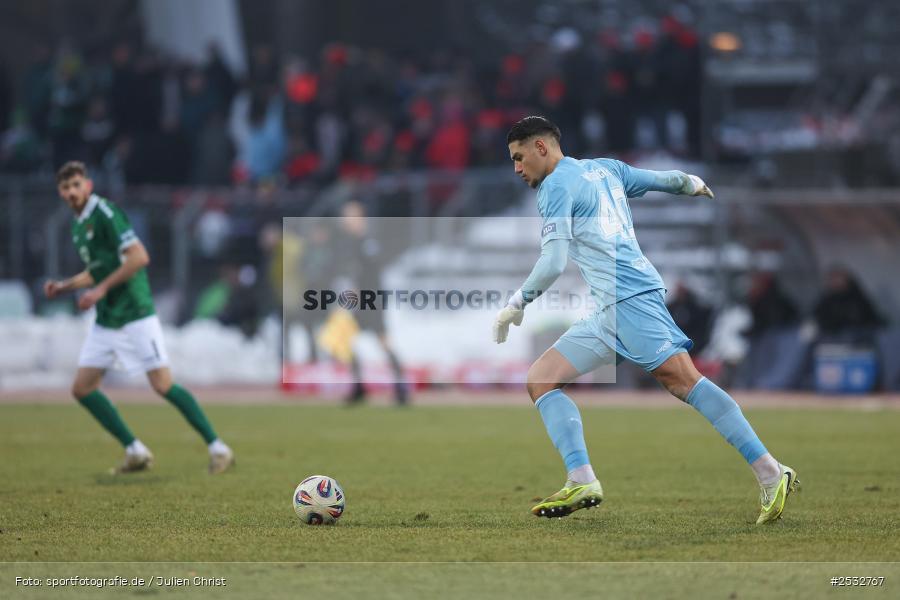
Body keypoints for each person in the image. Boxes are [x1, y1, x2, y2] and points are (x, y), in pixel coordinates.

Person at [494, 116, 797, 524]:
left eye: (519, 157)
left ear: (541, 148)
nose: (517, 168)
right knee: (541, 379)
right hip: (609, 309)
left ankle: (771, 472)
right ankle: (581, 478)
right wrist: (691, 182)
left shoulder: (554, 188)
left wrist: (517, 302)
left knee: (684, 382)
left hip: (629, 298)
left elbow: (552, 262)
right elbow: (662, 179)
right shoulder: (607, 169)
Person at [43, 161, 235, 475]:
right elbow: (98, 270)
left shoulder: (105, 213)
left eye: (76, 185)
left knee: (162, 384)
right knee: (82, 389)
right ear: (60, 192)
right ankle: (135, 451)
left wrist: (101, 289)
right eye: (65, 187)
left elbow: (139, 256)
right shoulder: (79, 224)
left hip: (135, 313)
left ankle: (219, 447)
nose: (71, 192)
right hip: (108, 319)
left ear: (88, 186)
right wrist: (65, 287)